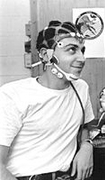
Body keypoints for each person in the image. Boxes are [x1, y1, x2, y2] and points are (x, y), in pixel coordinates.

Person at [0, 20, 95, 180]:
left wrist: (87, 146)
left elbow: (84, 127)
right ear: (46, 55)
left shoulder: (81, 88)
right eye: (72, 50)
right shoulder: (13, 94)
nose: (82, 58)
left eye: (82, 50)